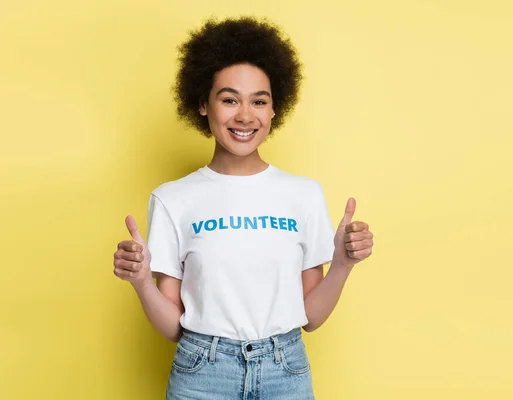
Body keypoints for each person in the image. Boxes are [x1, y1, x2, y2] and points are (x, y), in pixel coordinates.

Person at [112, 16, 374, 400]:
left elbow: (312, 317)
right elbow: (173, 326)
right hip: (201, 374)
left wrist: (343, 263)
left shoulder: (303, 194)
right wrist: (139, 283)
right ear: (203, 104)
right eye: (229, 99)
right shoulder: (172, 198)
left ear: (273, 111)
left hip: (285, 371)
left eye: (259, 101)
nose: (245, 116)